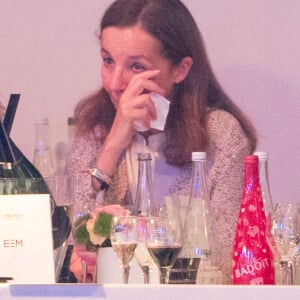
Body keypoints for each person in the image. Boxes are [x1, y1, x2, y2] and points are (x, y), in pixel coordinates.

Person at [66, 0, 257, 284]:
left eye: (136, 66)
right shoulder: (94, 129)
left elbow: (224, 260)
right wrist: (113, 143)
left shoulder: (221, 136)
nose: (115, 82)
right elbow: (69, 245)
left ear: (180, 70)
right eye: (108, 61)